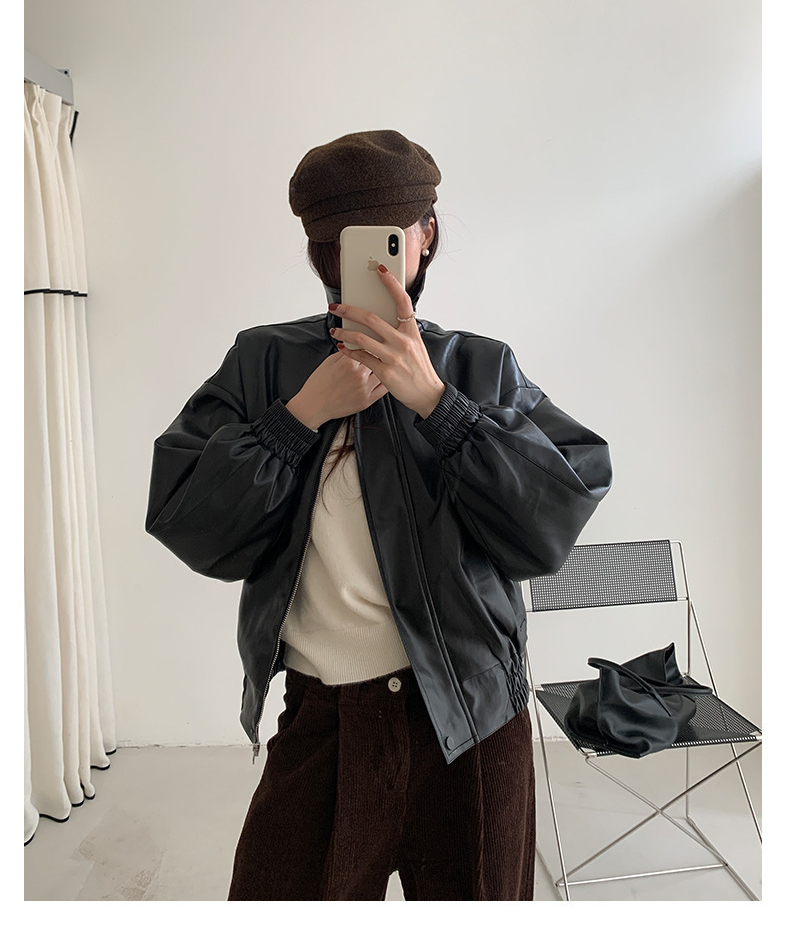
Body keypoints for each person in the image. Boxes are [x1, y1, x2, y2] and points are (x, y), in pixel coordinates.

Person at [145, 129, 612, 901]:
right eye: (347, 243)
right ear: (321, 255)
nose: (374, 261)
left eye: (390, 236)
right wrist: (297, 417)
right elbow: (187, 519)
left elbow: (550, 523)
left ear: (425, 236)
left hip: (469, 722)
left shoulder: (479, 367)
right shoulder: (263, 364)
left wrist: (440, 405)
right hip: (322, 721)